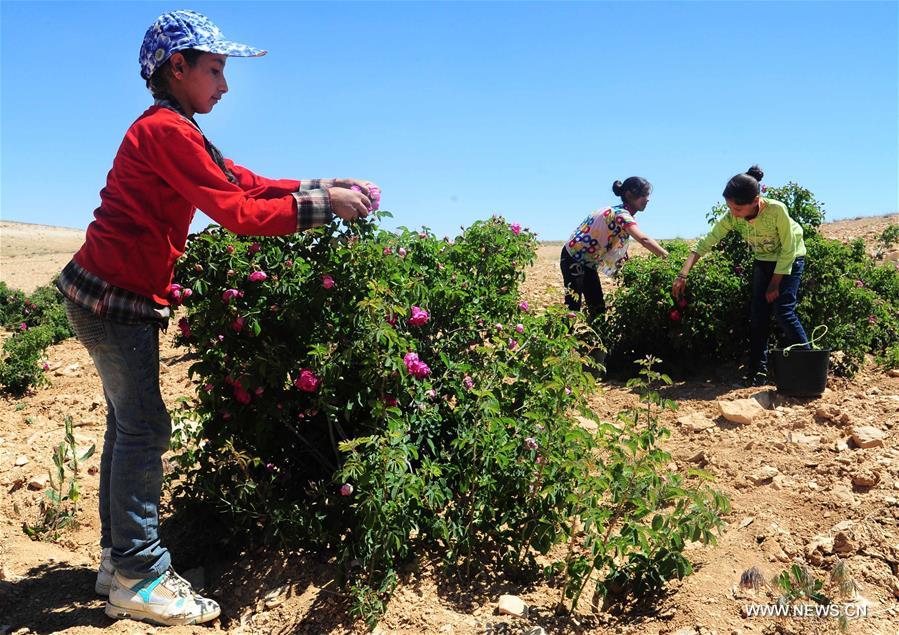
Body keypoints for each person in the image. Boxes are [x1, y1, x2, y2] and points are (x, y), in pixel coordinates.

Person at [56, 10, 379, 627]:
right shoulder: (166, 131)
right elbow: (237, 211)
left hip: (104, 293)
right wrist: (322, 207)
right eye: (216, 69)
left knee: (131, 427)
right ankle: (138, 573)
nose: (224, 86)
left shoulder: (174, 127)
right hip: (112, 300)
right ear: (177, 69)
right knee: (145, 428)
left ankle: (120, 561)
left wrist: (322, 182)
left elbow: (239, 181)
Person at [671, 166, 809, 386]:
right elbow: (708, 240)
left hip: (790, 259)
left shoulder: (776, 210)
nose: (733, 213)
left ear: (755, 201)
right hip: (763, 260)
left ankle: (808, 364)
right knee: (758, 317)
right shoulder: (733, 217)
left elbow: (789, 249)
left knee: (783, 310)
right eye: (730, 207)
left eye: (737, 208)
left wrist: (775, 283)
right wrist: (683, 273)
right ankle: (757, 374)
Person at [561, 177, 670, 319]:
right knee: (573, 305)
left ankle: (594, 339)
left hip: (587, 260)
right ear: (630, 195)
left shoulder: (617, 211)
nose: (647, 199)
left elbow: (615, 242)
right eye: (643, 195)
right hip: (574, 258)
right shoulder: (621, 215)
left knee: (597, 305)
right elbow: (644, 239)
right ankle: (564, 338)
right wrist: (667, 257)